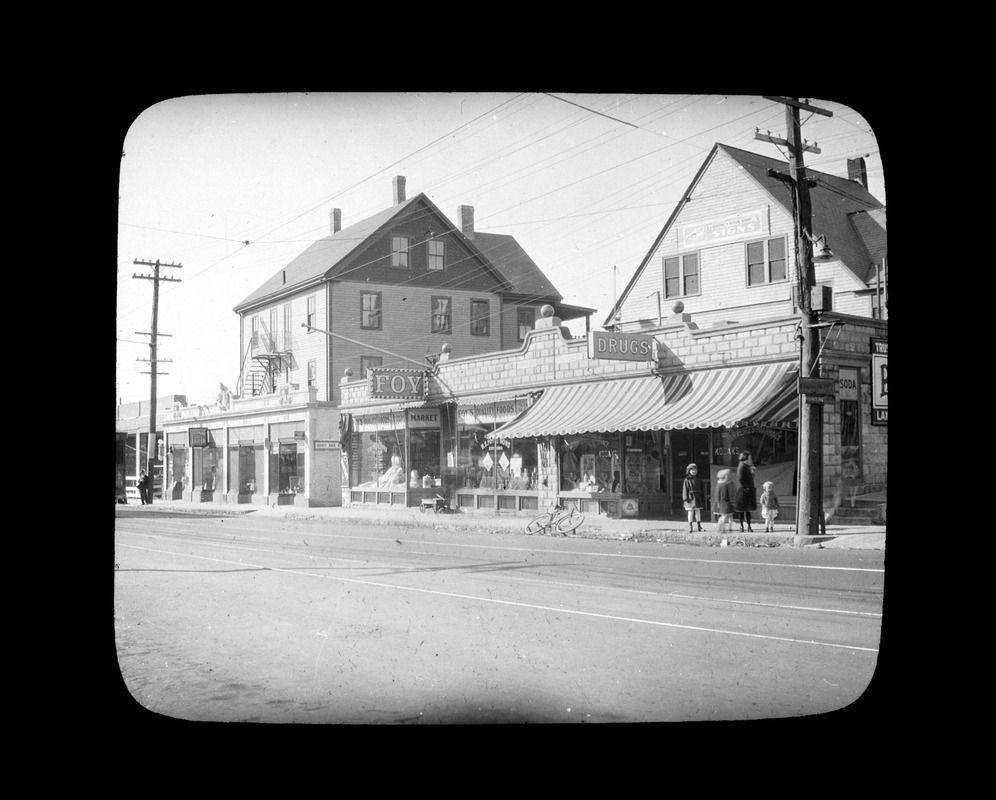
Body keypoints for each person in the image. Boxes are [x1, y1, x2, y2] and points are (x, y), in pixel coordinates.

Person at [734, 451, 757, 533]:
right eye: (750, 458)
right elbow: (740, 479)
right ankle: (741, 526)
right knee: (742, 509)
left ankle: (748, 526)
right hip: (743, 490)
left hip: (748, 489)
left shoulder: (746, 466)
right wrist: (745, 487)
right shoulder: (742, 466)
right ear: (746, 458)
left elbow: (750, 478)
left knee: (748, 509)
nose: (751, 459)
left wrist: (752, 472)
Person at [682, 463, 704, 533]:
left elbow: (701, 488)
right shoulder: (687, 480)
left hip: (697, 497)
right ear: (689, 471)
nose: (694, 471)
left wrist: (702, 496)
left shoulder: (699, 479)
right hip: (690, 497)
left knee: (698, 511)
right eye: (692, 470)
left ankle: (699, 526)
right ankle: (690, 526)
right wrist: (685, 498)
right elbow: (685, 489)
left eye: (695, 470)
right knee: (690, 512)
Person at [714, 469, 736, 534]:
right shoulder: (723, 485)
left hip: (723, 502)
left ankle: (727, 528)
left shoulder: (720, 484)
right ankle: (721, 528)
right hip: (724, 502)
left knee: (728, 515)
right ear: (725, 476)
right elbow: (724, 495)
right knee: (725, 516)